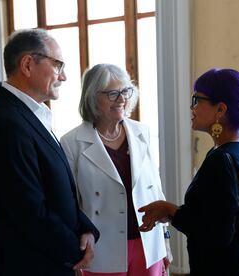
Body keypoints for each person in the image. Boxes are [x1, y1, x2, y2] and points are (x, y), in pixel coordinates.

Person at [0, 28, 100, 276]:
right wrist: (76, 250)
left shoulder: (30, 114)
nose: (63, 77)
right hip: (30, 264)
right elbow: (29, 211)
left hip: (48, 257)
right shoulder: (5, 123)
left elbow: (58, 189)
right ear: (28, 64)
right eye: (58, 65)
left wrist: (85, 229)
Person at [138, 68, 239, 275]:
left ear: (220, 109)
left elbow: (216, 235)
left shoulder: (221, 160)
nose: (191, 107)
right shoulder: (238, 147)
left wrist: (170, 209)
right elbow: (216, 215)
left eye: (196, 100)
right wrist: (173, 214)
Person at [60, 63, 172, 276]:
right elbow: (70, 202)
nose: (122, 99)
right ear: (93, 98)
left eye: (125, 91)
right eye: (112, 93)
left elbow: (154, 190)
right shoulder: (72, 142)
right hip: (102, 247)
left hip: (147, 243)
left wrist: (165, 242)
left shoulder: (142, 132)